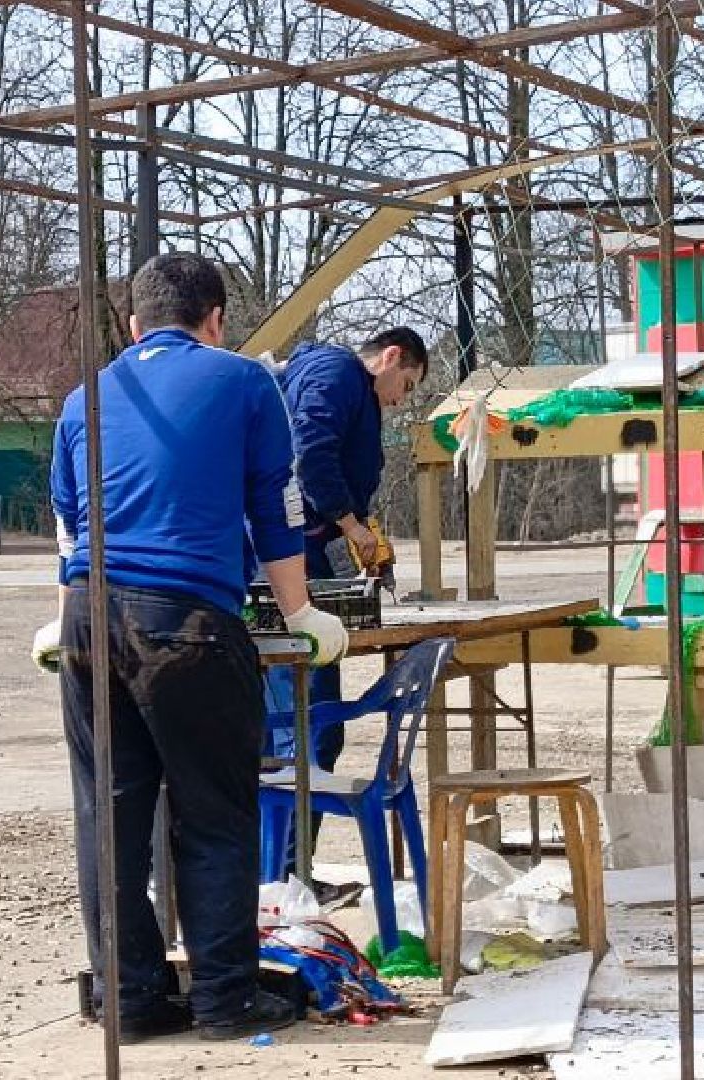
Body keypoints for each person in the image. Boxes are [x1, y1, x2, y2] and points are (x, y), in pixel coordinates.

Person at [31, 252, 349, 1044]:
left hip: (89, 623)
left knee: (108, 815)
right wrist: (301, 610)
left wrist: (63, 615)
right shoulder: (245, 382)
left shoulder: (83, 398)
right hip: (188, 625)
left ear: (134, 325)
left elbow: (69, 528)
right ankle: (223, 1000)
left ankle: (131, 1001)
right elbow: (275, 506)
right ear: (216, 320)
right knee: (214, 813)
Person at [264, 328, 430, 891]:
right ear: (390, 358)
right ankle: (285, 881)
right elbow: (310, 451)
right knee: (307, 728)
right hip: (284, 555)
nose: (400, 399)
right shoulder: (338, 374)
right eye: (405, 385)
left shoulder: (346, 386)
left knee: (302, 729)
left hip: (301, 547)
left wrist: (361, 533)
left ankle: (287, 874)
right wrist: (351, 524)